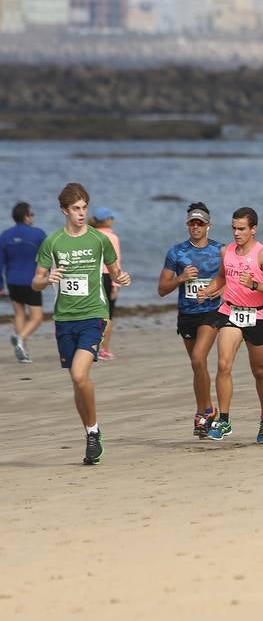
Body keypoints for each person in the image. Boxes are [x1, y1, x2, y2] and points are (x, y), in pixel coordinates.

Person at [31, 182, 131, 465]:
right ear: (64, 210)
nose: (81, 213)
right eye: (76, 208)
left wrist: (122, 278)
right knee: (78, 382)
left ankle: (93, 431)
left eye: (84, 207)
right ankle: (92, 431)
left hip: (93, 315)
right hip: (64, 319)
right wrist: (46, 279)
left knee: (78, 374)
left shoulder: (99, 240)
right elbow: (35, 281)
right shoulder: (52, 242)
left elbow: (115, 271)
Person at [196, 207, 263, 444]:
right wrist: (209, 290)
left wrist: (255, 285)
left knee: (259, 371)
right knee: (223, 364)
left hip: (257, 316)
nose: (236, 233)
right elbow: (222, 277)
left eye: (241, 229)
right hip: (230, 312)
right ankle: (224, 420)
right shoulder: (227, 251)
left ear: (253, 229)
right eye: (234, 228)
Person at [156, 202, 223, 437]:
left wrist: (217, 289)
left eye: (200, 223)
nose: (196, 227)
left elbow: (230, 278)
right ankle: (204, 409)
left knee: (198, 357)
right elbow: (162, 289)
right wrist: (181, 278)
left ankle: (205, 412)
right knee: (198, 365)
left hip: (211, 312)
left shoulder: (220, 250)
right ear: (187, 225)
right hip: (186, 314)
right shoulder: (177, 252)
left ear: (208, 226)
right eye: (192, 223)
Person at [2, 201, 46, 363]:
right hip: (31, 281)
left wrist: (0, 285)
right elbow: (47, 256)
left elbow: (0, 262)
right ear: (26, 216)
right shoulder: (38, 234)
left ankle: (23, 352)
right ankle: (20, 339)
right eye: (31, 214)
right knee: (37, 317)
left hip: (12, 281)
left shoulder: (5, 235)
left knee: (19, 314)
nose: (32, 217)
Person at [90, 207, 122, 360]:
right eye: (111, 218)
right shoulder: (112, 237)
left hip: (91, 277)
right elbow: (115, 263)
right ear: (107, 220)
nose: (113, 221)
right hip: (107, 276)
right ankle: (104, 349)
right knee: (107, 316)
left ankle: (89, 347)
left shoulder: (90, 235)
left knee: (92, 313)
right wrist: (116, 285)